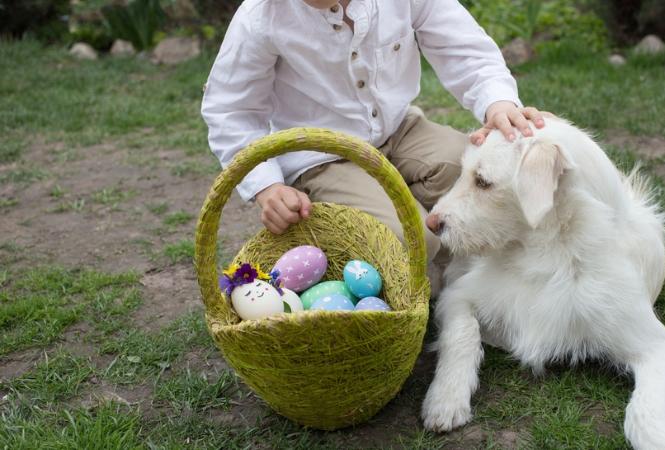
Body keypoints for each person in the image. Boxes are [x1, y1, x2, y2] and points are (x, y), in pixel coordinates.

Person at [201, 0, 546, 293]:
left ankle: (461, 263)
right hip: (324, 157)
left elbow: (464, 49)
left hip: (397, 129)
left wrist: (497, 102)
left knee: (471, 173)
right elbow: (231, 109)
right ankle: (429, 282)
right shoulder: (262, 16)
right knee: (409, 239)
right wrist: (266, 185)